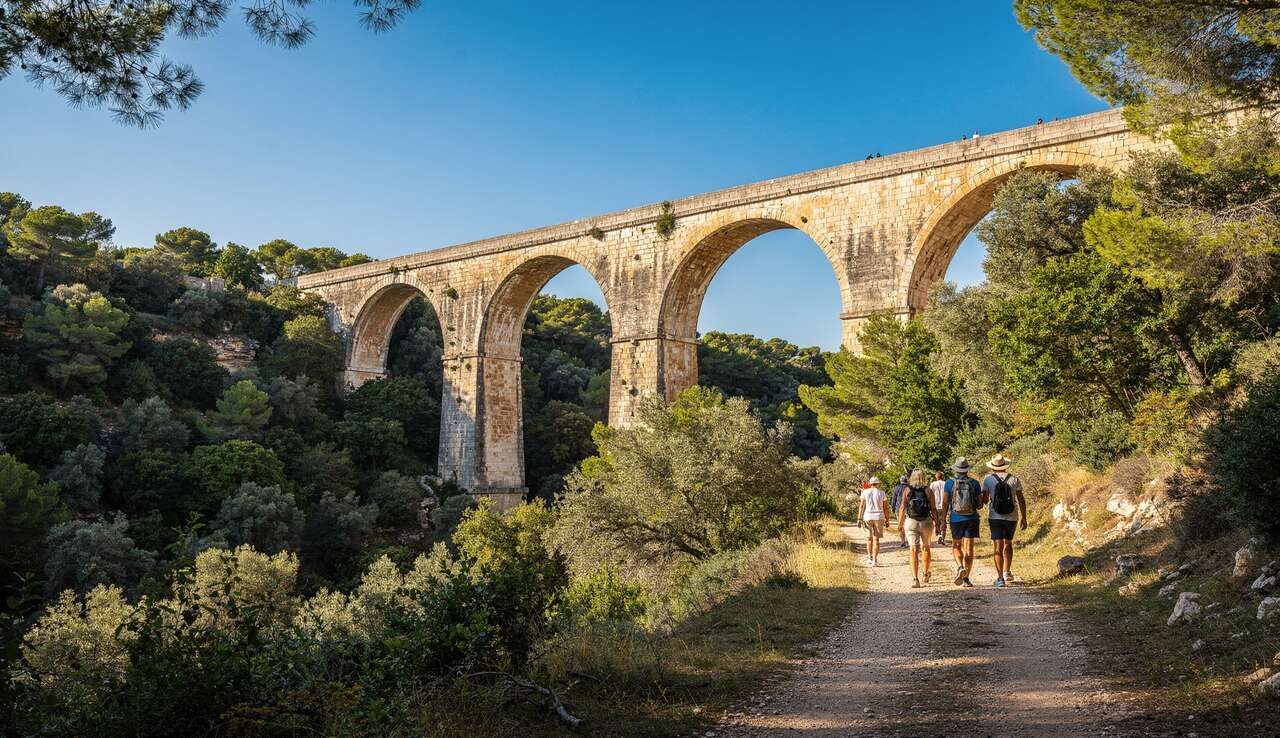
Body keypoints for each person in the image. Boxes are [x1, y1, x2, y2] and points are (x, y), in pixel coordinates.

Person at [982, 453, 1028, 587]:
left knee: (997, 546)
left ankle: (1000, 578)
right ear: (1005, 465)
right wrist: (1024, 518)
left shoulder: (988, 479)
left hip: (995, 516)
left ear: (993, 466)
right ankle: (1007, 571)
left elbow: (984, 500)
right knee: (1008, 543)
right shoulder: (1014, 479)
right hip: (1012, 516)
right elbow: (1021, 499)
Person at [942, 457, 985, 587]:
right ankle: (966, 579)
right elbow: (979, 505)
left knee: (956, 545)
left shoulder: (949, 483)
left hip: (955, 518)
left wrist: (943, 520)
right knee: (969, 549)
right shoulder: (975, 483)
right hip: (971, 518)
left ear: (956, 469)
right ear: (967, 469)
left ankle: (960, 567)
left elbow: (945, 502)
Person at [897, 468, 941, 588]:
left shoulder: (907, 490)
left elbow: (902, 507)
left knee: (913, 550)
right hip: (926, 522)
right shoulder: (928, 490)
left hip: (911, 522)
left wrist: (900, 524)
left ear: (912, 478)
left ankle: (915, 579)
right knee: (926, 548)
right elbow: (933, 509)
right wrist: (937, 524)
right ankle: (925, 573)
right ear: (924, 477)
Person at [858, 476, 887, 567]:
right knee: (876, 539)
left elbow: (861, 506)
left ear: (870, 484)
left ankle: (869, 557)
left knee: (869, 538)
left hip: (867, 516)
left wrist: (859, 518)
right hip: (879, 516)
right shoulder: (882, 493)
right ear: (878, 484)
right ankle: (875, 560)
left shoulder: (865, 492)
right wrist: (888, 519)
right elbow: (886, 507)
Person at [929, 471, 948, 545]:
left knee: (936, 522)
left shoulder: (933, 484)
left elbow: (930, 494)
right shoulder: (945, 483)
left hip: (935, 506)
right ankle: (942, 537)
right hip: (944, 506)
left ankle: (938, 536)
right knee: (943, 521)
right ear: (942, 477)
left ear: (936, 477)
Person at [890, 475, 909, 544]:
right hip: (908, 508)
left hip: (899, 508)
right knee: (907, 524)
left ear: (900, 480)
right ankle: (908, 540)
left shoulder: (896, 488)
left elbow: (894, 499)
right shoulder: (909, 487)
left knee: (900, 524)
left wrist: (893, 508)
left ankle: (902, 541)